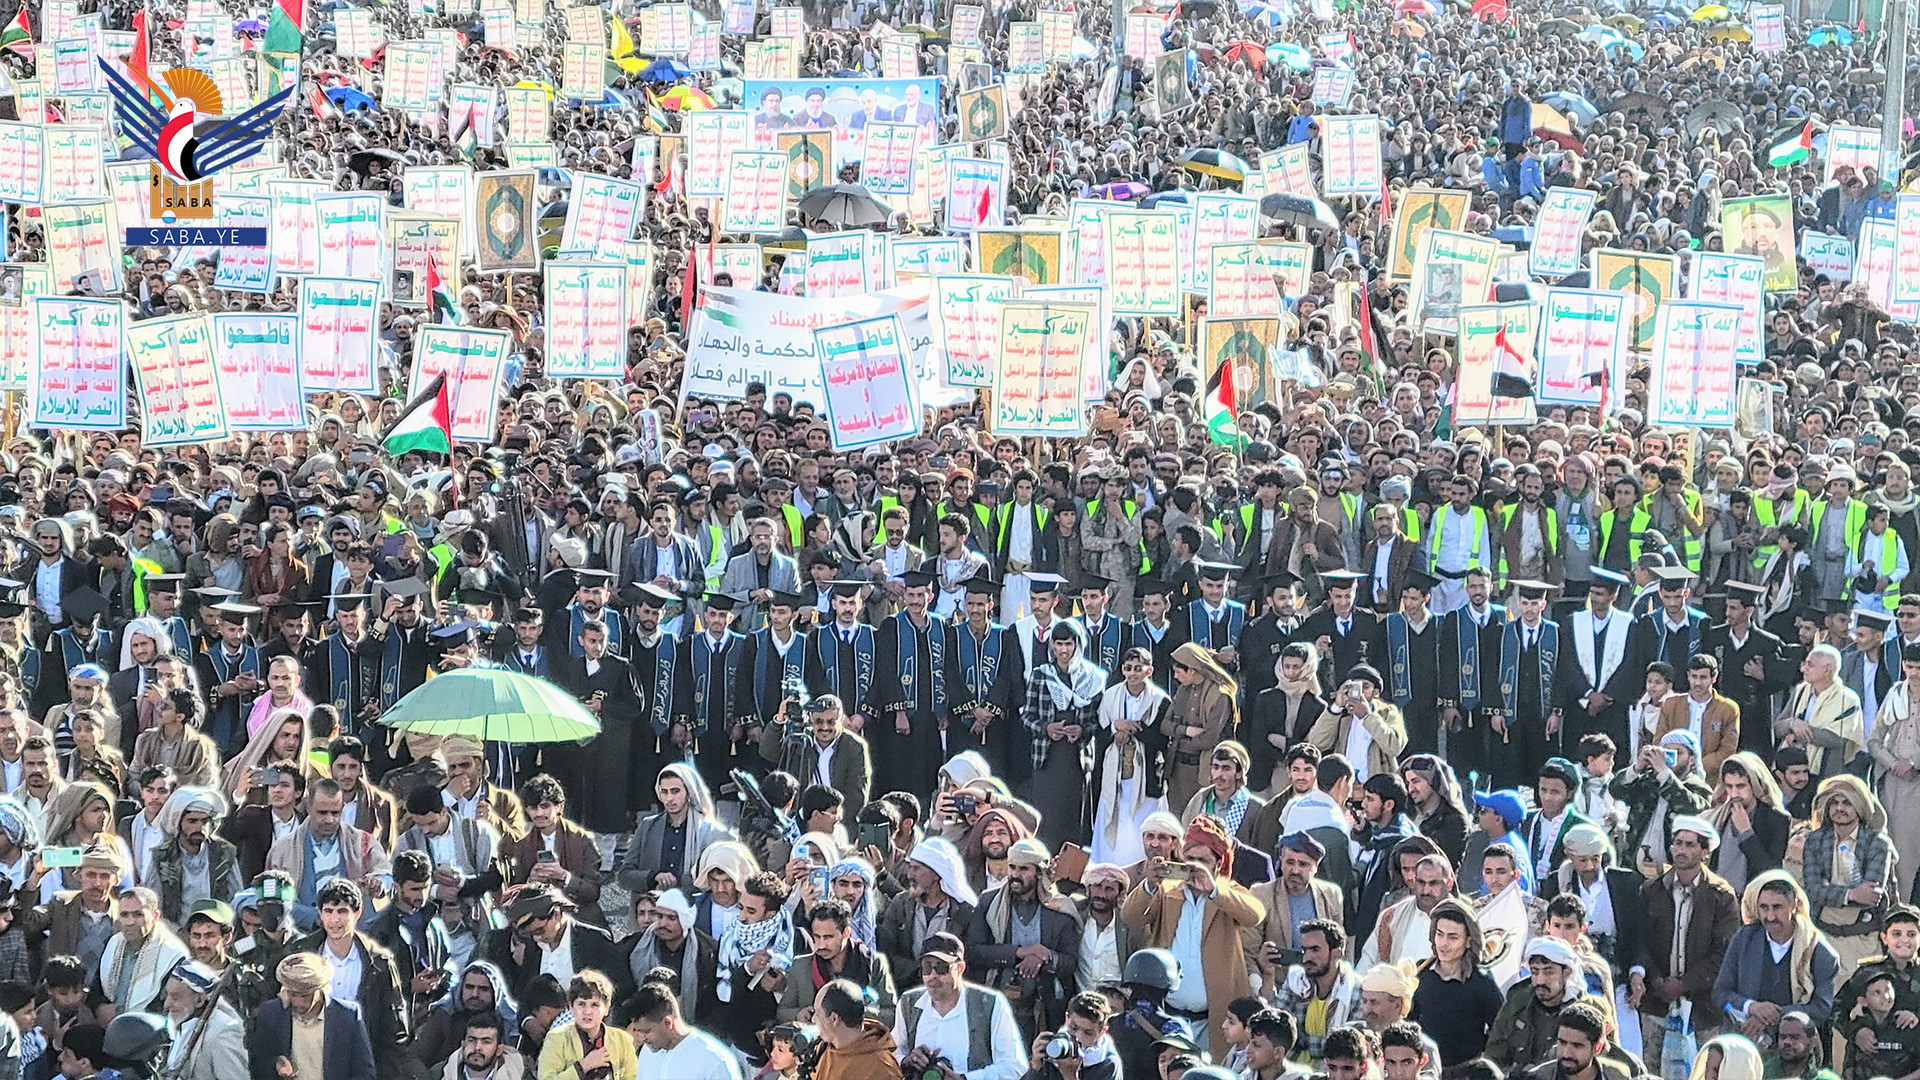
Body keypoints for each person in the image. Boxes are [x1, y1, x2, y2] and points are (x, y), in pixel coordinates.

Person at [1119, 815, 1264, 1052]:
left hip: (1213, 1022)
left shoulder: (1228, 893)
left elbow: (1254, 915)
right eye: (1190, 859)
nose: (1195, 866)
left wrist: (1214, 890)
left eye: (1203, 861)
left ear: (1217, 864)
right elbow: (1130, 917)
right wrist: (1149, 885)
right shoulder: (1168, 890)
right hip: (1168, 1017)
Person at [1631, 815, 1741, 1064]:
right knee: (1650, 1069)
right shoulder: (1651, 890)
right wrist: (1658, 981)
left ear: (1705, 852)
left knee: (1705, 1069)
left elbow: (1723, 953)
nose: (1681, 850)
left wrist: (1684, 984)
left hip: (1703, 1007)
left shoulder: (1722, 896)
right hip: (1657, 1002)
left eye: (1690, 845)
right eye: (1678, 843)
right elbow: (1641, 941)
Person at [1714, 871, 1840, 1041]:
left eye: (1777, 907)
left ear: (1794, 906)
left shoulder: (1817, 950)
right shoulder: (1745, 939)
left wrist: (1771, 1018)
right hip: (1744, 1039)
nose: (1770, 916)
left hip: (1795, 1047)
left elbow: (1821, 1008)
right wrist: (1751, 1007)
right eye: (1764, 908)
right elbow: (1721, 995)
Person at [1798, 775, 1895, 980]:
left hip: (1864, 940)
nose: (1839, 808)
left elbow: (1870, 897)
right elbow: (1813, 891)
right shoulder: (1815, 840)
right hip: (1824, 936)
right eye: (1834, 802)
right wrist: (1851, 893)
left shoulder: (1877, 844)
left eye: (1846, 802)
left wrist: (1831, 890)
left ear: (1859, 807)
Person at [891, 932, 1025, 1080]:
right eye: (927, 967)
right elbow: (891, 1055)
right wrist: (906, 1061)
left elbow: (1014, 1066)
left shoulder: (990, 1004)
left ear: (960, 968)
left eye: (941, 968)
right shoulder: (909, 1003)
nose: (933, 976)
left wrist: (966, 1079)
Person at [250, 952, 377, 1080]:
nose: (298, 1002)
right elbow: (257, 1065)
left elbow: (365, 1072)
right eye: (293, 995)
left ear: (319, 989)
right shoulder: (271, 1013)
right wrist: (276, 1065)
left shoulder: (347, 1016)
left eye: (305, 995)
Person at [1411, 899, 1503, 1066]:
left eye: (1453, 937)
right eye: (1440, 934)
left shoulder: (1481, 983)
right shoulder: (1420, 975)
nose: (1444, 944)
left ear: (1468, 941)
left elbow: (1501, 1032)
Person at [1272, 918, 1360, 1062]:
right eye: (1304, 950)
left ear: (1336, 953)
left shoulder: (1355, 990)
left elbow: (1347, 1047)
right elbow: (1276, 1031)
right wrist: (1268, 976)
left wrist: (1301, 1040)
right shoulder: (1296, 981)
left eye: (1315, 950)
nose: (1307, 957)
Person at [536, 972, 639, 1080]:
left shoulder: (623, 1041)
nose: (587, 1012)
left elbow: (633, 1077)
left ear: (607, 1008)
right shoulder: (556, 1039)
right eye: (581, 1004)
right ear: (571, 1007)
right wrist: (583, 1066)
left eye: (595, 1005)